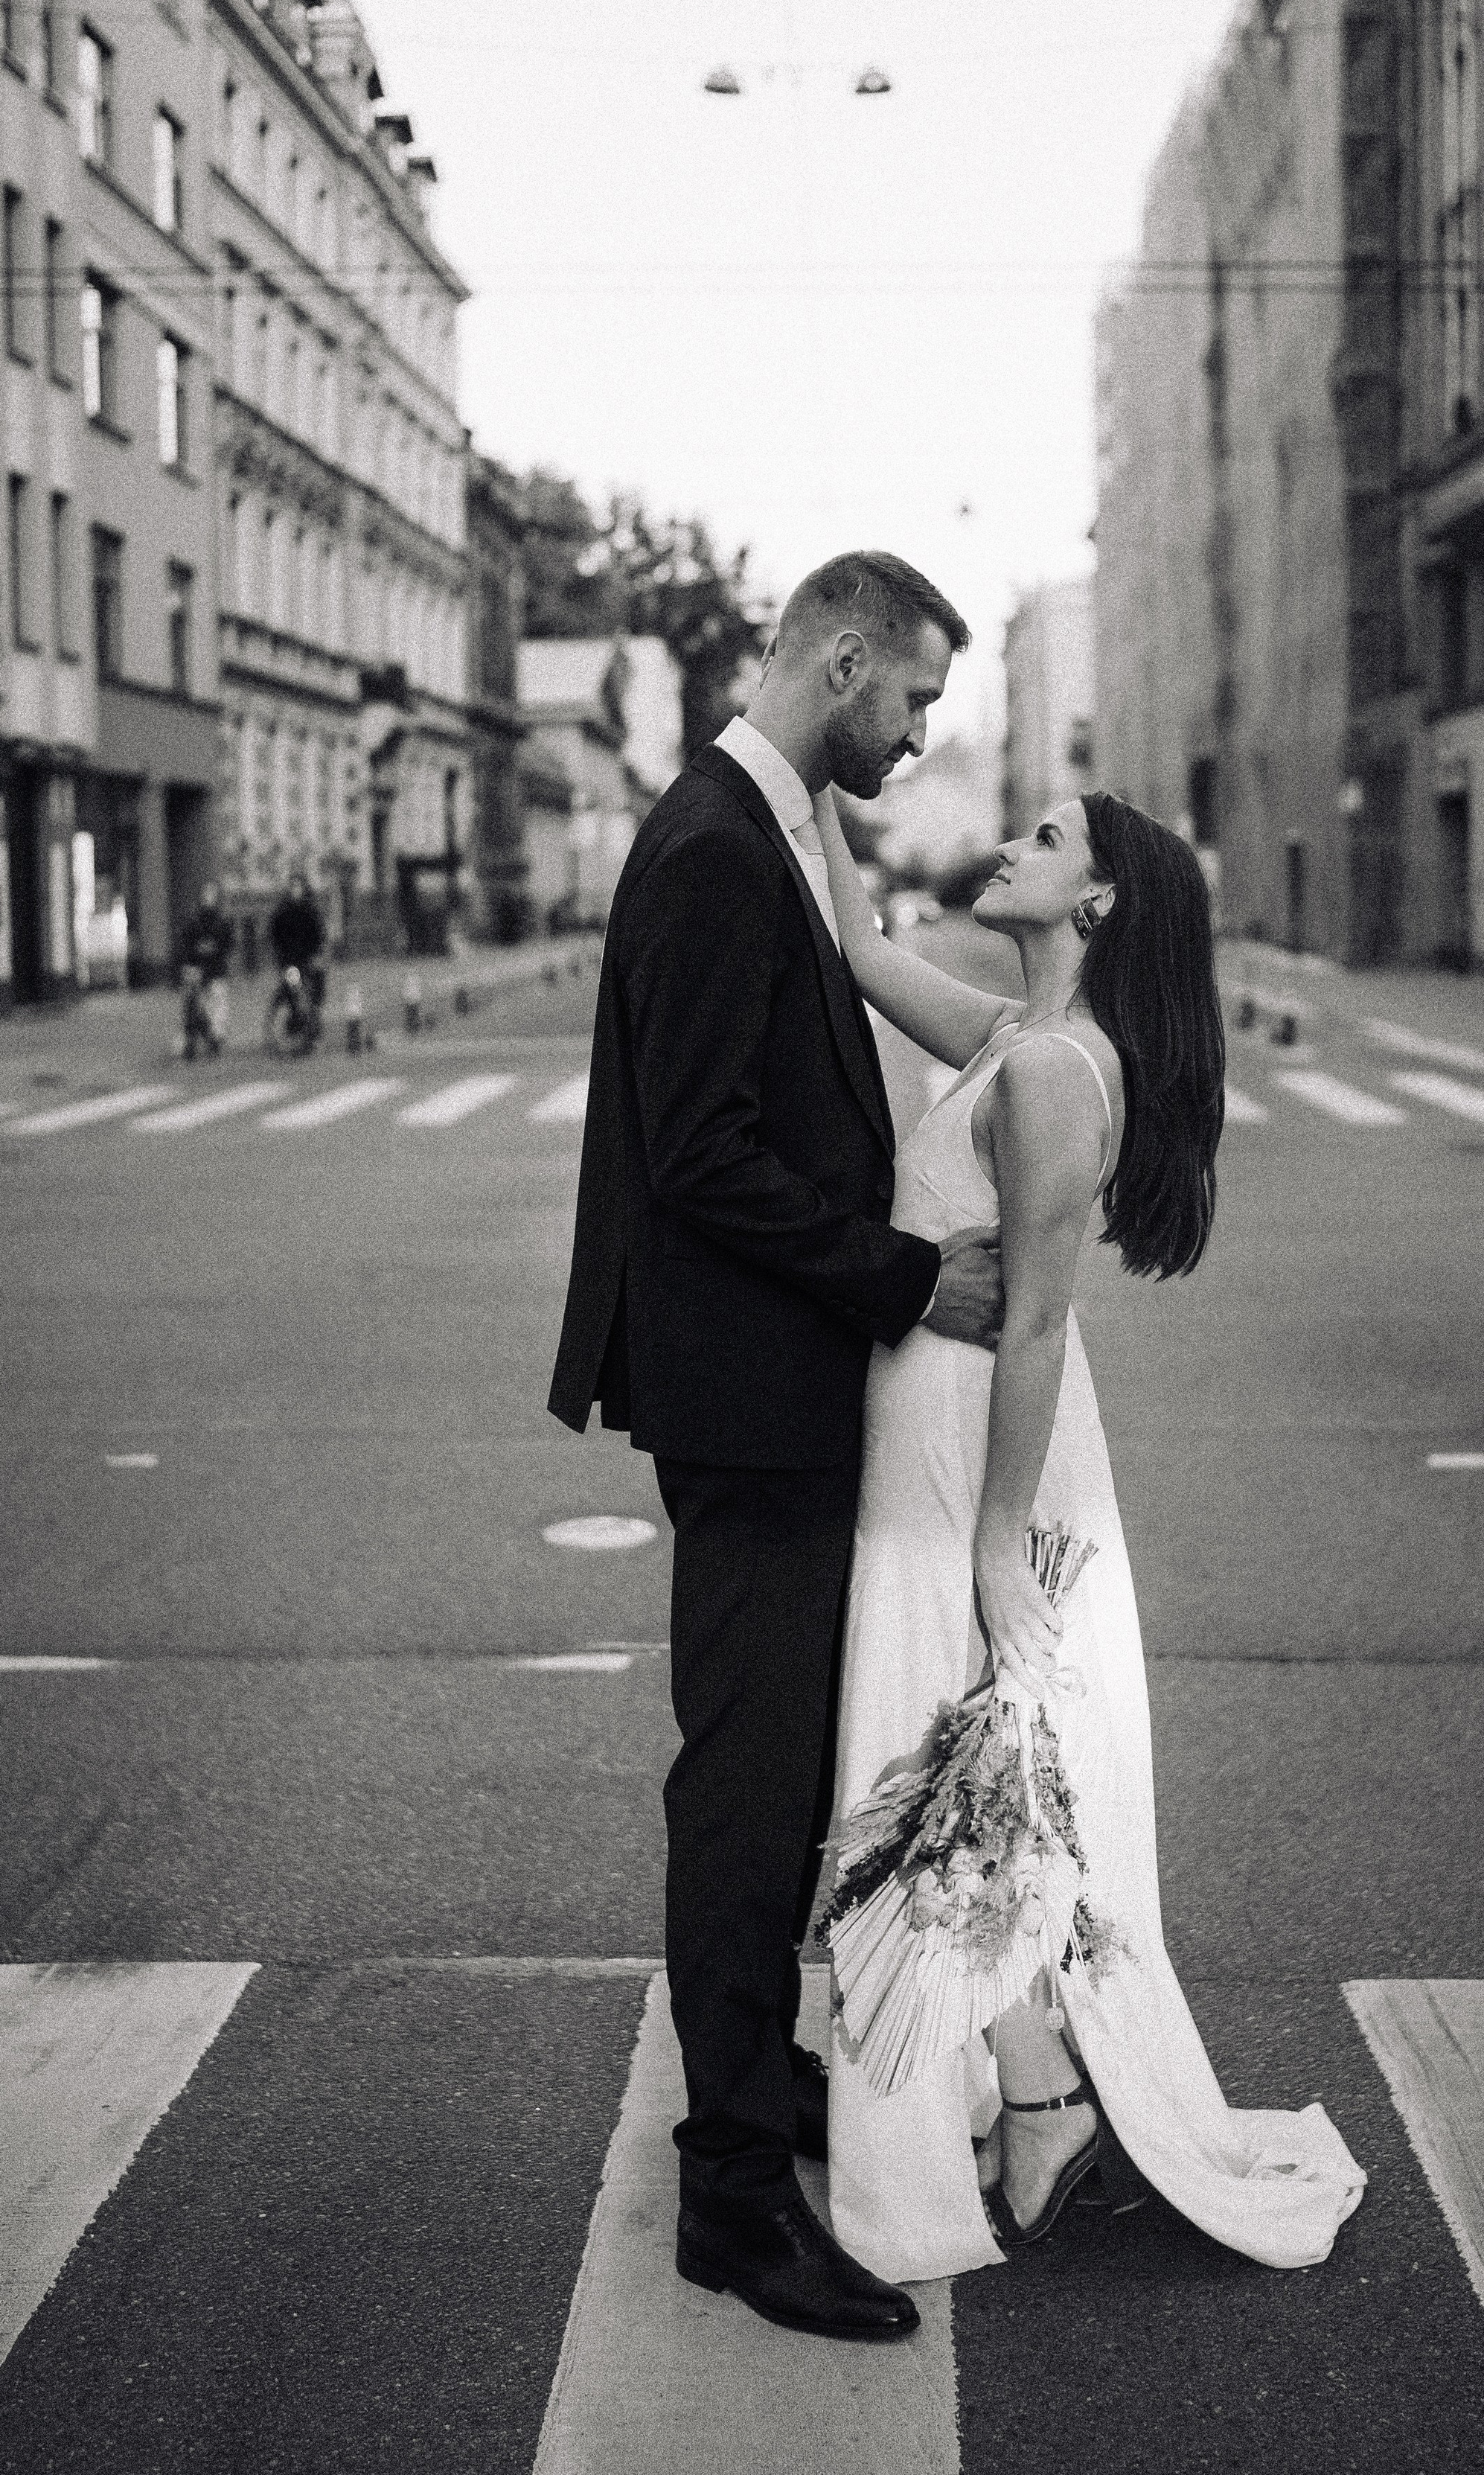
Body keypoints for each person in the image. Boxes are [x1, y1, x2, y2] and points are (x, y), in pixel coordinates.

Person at [813, 782, 1366, 2281]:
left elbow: (1039, 1323)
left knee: (952, 1769)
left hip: (975, 1446)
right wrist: (795, 757)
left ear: (1099, 899)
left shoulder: (1057, 1070)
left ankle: (1043, 2102)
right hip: (939, 1423)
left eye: (1044, 840)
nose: (1009, 847)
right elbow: (859, 949)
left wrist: (997, 1546)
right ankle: (1042, 2097)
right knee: (970, 1778)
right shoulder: (1012, 1036)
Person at [547, 551, 1007, 2347]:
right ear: (837, 660)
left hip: (767, 1384)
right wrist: (909, 1280)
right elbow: (704, 1155)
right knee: (742, 1801)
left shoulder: (759, 836)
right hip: (749, 1399)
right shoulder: (711, 854)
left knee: (776, 1780)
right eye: (907, 701)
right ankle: (731, 2188)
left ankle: (762, 2085)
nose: (914, 737)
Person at [177, 881, 234, 1056]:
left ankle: (214, 1038)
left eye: (212, 895)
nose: (208, 899)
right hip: (197, 970)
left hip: (216, 970)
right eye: (206, 895)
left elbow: (227, 945)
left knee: (218, 1005)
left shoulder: (222, 922)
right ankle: (192, 1038)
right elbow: (186, 944)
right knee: (193, 1005)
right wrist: (193, 957)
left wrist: (215, 950)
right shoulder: (194, 922)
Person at [268, 872, 327, 1034]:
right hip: (290, 962)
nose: (295, 890)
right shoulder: (282, 913)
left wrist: (316, 955)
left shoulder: (311, 912)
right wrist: (281, 958)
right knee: (293, 989)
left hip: (308, 960)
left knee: (317, 983)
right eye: (292, 887)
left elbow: (319, 936)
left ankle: (314, 1015)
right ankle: (295, 1021)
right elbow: (275, 937)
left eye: (298, 887)